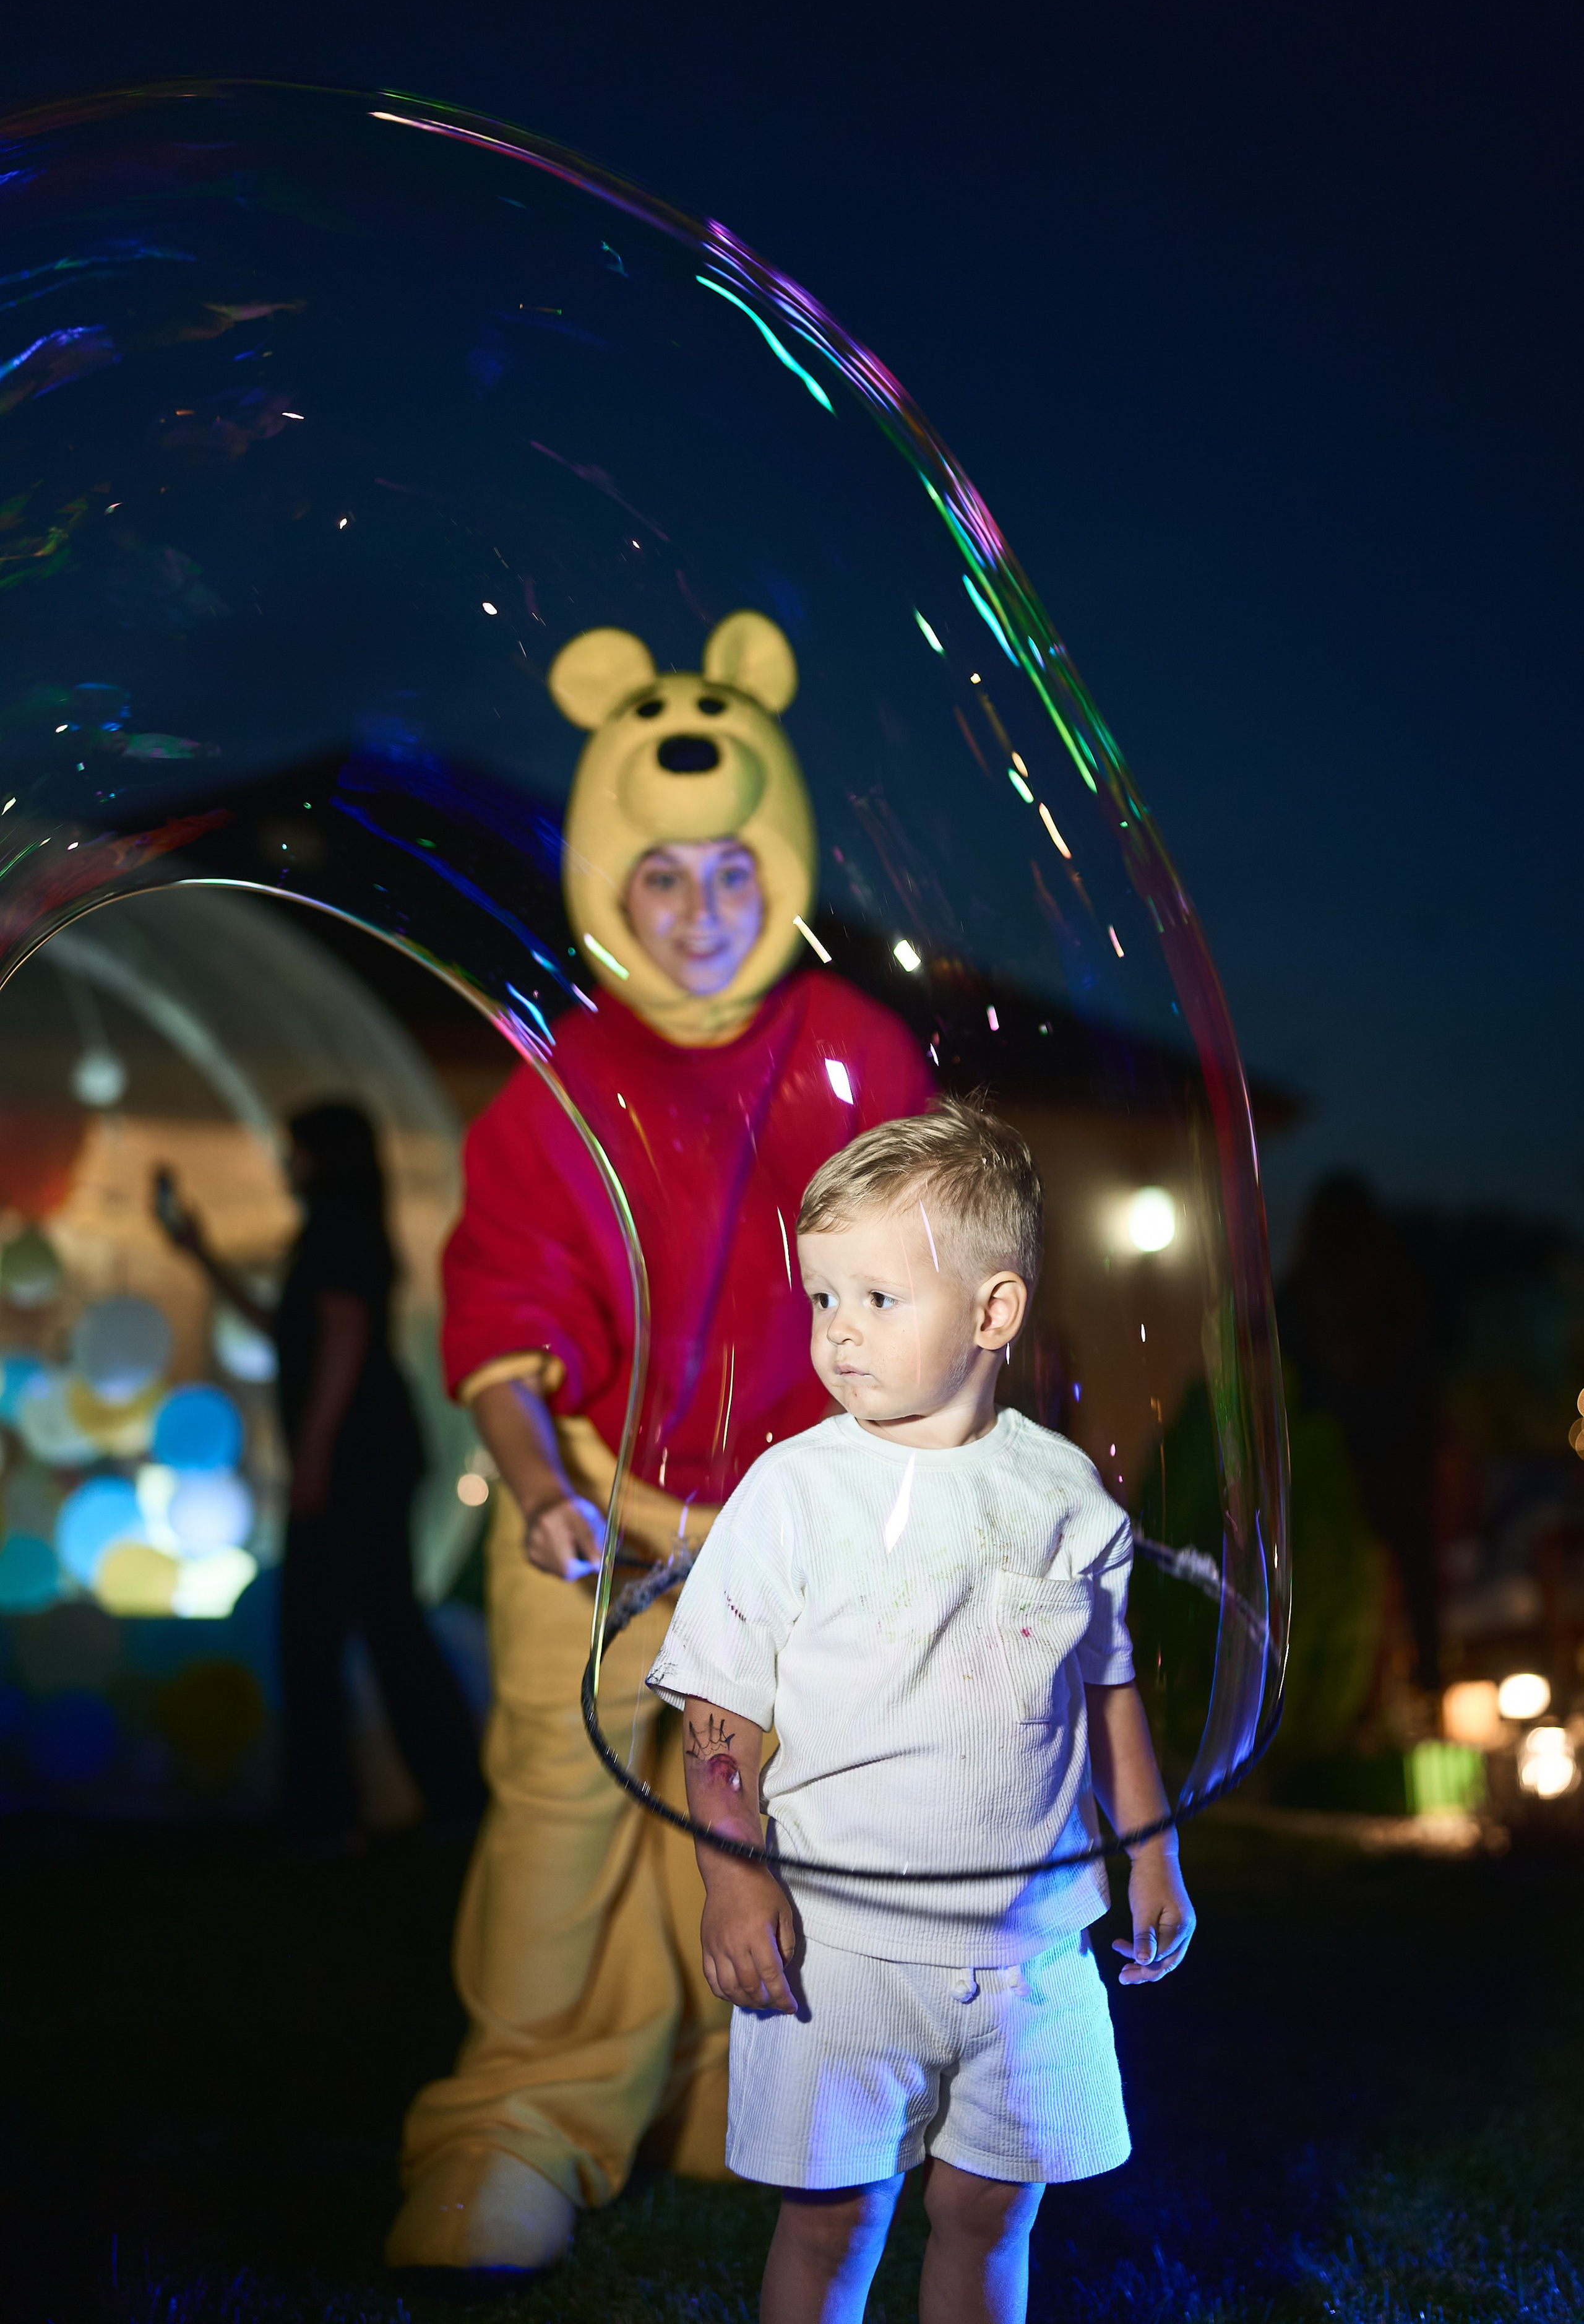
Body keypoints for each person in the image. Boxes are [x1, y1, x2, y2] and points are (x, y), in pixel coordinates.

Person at [388, 610, 935, 2272]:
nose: (699, 911)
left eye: (729, 870)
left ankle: (731, 2092)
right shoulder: (562, 1074)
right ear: (607, 881)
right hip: (600, 1503)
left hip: (798, 1523)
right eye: (662, 875)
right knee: (564, 1822)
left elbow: (921, 1286)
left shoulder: (855, 1052)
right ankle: (515, 2127)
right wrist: (541, 1485)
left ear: (782, 863)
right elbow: (505, 1299)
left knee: (774, 1819)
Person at [646, 1097, 1195, 2324]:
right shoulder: (793, 1494)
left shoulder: (1063, 1497)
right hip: (838, 1947)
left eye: (877, 1299)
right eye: (823, 1298)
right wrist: (734, 1878)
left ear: (993, 1313)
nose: (837, 1332)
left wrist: (1152, 1854)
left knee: (991, 2210)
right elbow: (719, 1711)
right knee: (832, 2217)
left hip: (1030, 1945)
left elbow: (1104, 1692)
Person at [157, 1102, 484, 1841]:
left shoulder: (338, 1230)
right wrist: (201, 1256)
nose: (288, 1162)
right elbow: (290, 1329)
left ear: (324, 1157)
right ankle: (447, 1797)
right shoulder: (345, 1230)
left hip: (357, 1462)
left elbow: (342, 1335)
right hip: (373, 1456)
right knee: (387, 1624)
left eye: (297, 1149)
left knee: (318, 1628)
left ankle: (327, 1809)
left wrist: (313, 1456)